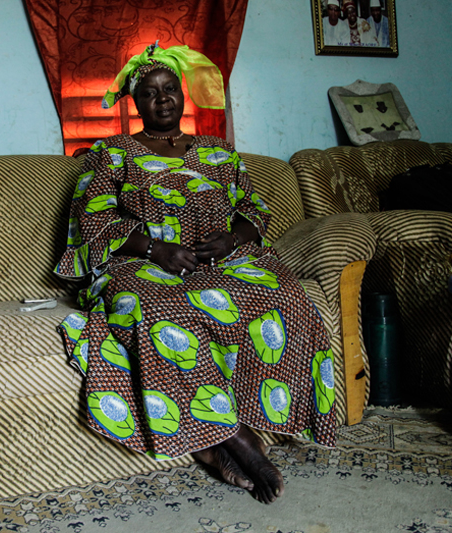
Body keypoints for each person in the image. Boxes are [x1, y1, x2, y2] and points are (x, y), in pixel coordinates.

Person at [54, 43, 336, 505]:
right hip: (144, 263)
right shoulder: (112, 153)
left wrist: (232, 240)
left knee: (284, 294)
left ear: (183, 93)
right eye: (149, 93)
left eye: (169, 89)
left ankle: (214, 443)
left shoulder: (219, 151)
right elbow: (93, 220)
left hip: (221, 260)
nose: (162, 99)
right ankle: (239, 440)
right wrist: (155, 248)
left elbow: (254, 210)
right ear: (134, 102)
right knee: (157, 310)